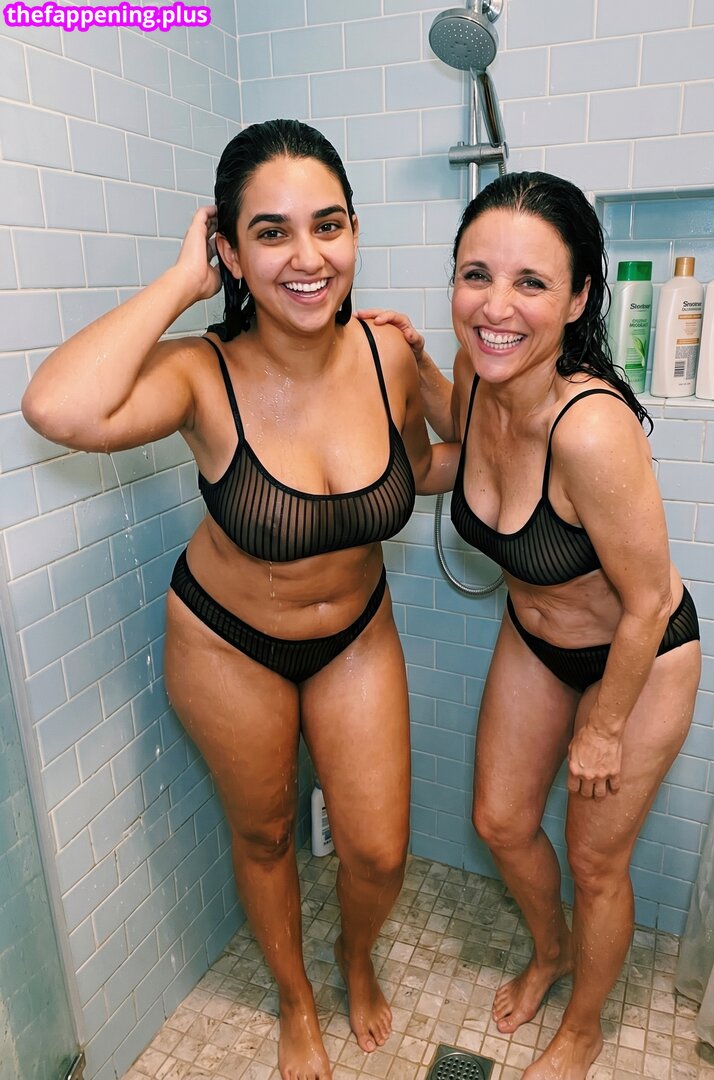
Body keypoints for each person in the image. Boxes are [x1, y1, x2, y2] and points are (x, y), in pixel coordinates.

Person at [22, 119, 458, 1080]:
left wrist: (437, 377)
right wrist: (183, 283)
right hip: (228, 644)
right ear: (230, 250)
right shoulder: (200, 372)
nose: (308, 257)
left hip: (355, 634)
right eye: (271, 232)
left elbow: (430, 466)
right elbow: (58, 407)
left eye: (328, 225)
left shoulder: (386, 357)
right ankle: (295, 1000)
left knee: (378, 852)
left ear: (355, 233)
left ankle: (353, 956)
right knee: (263, 833)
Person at [362, 171, 701, 1080]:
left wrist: (604, 727)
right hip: (537, 635)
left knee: (596, 863)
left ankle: (583, 1030)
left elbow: (648, 601)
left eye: (531, 283)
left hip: (638, 655)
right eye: (476, 275)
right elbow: (448, 445)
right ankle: (551, 952)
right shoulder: (481, 375)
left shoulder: (590, 429)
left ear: (579, 297)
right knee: (502, 820)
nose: (496, 306)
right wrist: (411, 364)